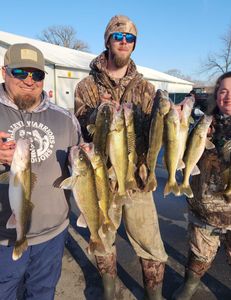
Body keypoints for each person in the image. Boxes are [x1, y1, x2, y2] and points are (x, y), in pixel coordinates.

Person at [74, 15, 168, 300]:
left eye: (130, 39)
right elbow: (79, 124)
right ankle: (109, 293)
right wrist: (97, 114)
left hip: (136, 179)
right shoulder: (86, 87)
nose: (124, 42)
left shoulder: (146, 88)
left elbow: (158, 132)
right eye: (118, 37)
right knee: (102, 239)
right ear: (107, 40)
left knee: (151, 245)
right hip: (102, 177)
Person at [0, 43, 82, 299]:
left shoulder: (65, 119)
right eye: (20, 72)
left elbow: (82, 167)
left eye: (36, 74)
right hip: (3, 239)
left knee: (43, 293)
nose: (29, 80)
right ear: (4, 72)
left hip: (52, 235)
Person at [172, 72, 231, 300]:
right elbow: (178, 151)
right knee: (198, 257)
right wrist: (175, 121)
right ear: (216, 95)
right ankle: (190, 283)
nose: (227, 96)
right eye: (223, 91)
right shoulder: (202, 123)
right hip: (204, 212)